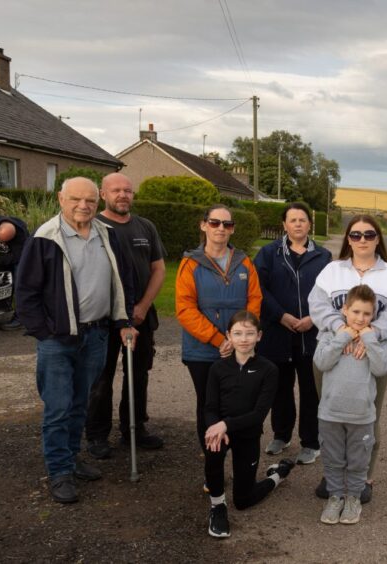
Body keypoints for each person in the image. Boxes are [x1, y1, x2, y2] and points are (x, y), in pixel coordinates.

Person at [15, 177, 136, 504]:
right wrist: (45, 332)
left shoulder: (106, 234)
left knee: (80, 403)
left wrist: (124, 320)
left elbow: (122, 281)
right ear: (61, 199)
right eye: (76, 200)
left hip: (96, 334)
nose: (83, 206)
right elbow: (25, 294)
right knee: (58, 408)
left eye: (90, 201)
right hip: (58, 339)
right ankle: (59, 472)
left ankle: (71, 458)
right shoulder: (45, 238)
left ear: (98, 203)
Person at [308, 214, 387, 504]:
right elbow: (317, 305)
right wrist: (343, 330)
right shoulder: (332, 270)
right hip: (333, 353)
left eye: (368, 234)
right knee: (331, 414)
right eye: (355, 235)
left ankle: (364, 476)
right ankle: (334, 475)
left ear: (378, 238)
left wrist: (369, 334)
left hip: (371, 355)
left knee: (369, 416)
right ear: (348, 239)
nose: (362, 240)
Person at [86, 173, 166, 458]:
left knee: (138, 374)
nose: (123, 195)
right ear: (103, 194)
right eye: (116, 190)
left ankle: (134, 428)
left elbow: (158, 269)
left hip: (142, 316)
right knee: (101, 377)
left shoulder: (146, 227)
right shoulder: (92, 227)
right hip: (104, 319)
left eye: (128, 190)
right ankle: (96, 435)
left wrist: (143, 306)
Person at [175, 204, 262, 454]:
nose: (221, 229)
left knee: (239, 401)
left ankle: (238, 454)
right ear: (204, 225)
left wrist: (242, 337)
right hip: (202, 350)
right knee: (208, 403)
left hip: (240, 348)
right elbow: (185, 309)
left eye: (227, 224)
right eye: (215, 223)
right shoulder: (190, 264)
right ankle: (212, 457)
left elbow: (254, 299)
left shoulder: (244, 262)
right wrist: (217, 339)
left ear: (233, 229)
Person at [203, 310, 295, 538]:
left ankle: (278, 475)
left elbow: (258, 414)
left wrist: (226, 425)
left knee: (243, 501)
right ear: (229, 336)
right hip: (223, 432)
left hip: (248, 434)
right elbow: (210, 407)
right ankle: (217, 507)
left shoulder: (269, 370)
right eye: (238, 333)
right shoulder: (218, 368)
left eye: (249, 333)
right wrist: (217, 427)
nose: (244, 339)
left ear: (259, 336)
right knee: (212, 446)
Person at [254, 202, 331, 465]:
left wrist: (314, 318)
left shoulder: (324, 256)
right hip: (278, 332)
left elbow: (331, 293)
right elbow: (258, 290)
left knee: (311, 390)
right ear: (284, 225)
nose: (298, 224)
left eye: (302, 220)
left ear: (310, 224)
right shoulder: (268, 254)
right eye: (293, 220)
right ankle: (281, 435)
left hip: (312, 334)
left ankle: (311, 441)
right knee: (280, 388)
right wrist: (281, 316)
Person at [313, 284, 387, 525]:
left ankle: (353, 498)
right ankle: (335, 497)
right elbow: (322, 362)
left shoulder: (378, 341)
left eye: (367, 314)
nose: (360, 318)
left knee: (358, 461)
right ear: (345, 310)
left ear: (373, 315)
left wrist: (369, 340)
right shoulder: (329, 335)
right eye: (356, 312)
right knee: (333, 458)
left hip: (361, 416)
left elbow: (382, 368)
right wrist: (343, 337)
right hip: (330, 414)